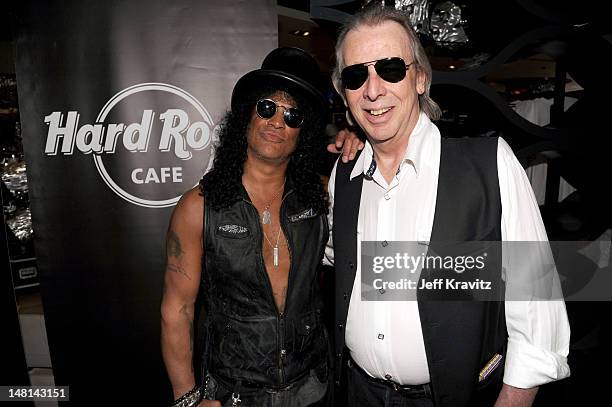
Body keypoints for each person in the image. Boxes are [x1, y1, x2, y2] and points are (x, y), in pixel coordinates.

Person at [326, 6, 570, 407]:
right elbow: (339, 258)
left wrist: (515, 396)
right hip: (358, 392)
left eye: (390, 69)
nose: (372, 90)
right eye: (356, 76)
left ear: (420, 78)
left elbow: (536, 291)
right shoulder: (345, 175)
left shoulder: (489, 163)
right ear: (344, 92)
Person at [161, 47, 358, 407]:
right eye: (267, 107)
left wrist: (360, 142)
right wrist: (187, 398)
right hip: (236, 394)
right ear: (247, 116)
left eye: (293, 115)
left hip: (313, 388)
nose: (277, 121)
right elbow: (178, 309)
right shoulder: (199, 207)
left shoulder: (322, 197)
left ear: (304, 132)